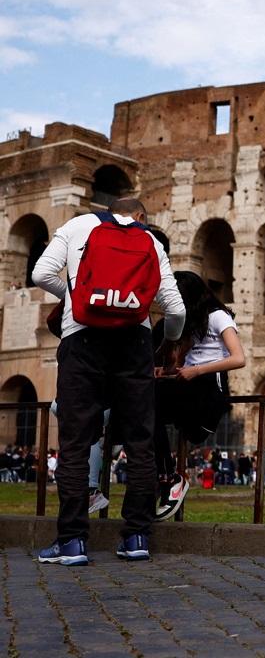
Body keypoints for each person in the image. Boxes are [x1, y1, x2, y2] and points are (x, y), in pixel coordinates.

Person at [31, 198, 185, 565]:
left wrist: (77, 297)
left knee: (75, 442)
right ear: (140, 216)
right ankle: (136, 537)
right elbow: (176, 309)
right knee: (140, 441)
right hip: (135, 343)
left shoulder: (76, 226)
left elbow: (41, 274)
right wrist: (167, 343)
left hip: (81, 338)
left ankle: (72, 542)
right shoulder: (150, 240)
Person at [152, 271, 246, 521]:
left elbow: (239, 358)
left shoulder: (218, 316)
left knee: (150, 402)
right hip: (190, 383)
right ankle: (167, 477)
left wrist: (196, 371)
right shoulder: (193, 322)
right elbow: (185, 363)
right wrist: (166, 371)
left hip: (209, 387)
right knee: (145, 406)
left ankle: (169, 479)